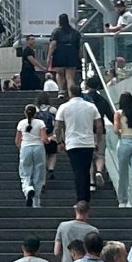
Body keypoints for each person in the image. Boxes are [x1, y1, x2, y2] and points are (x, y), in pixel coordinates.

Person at [54, 84, 103, 216]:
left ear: (70, 93)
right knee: (86, 170)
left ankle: (81, 200)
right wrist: (97, 140)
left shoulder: (64, 107)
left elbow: (58, 127)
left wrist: (59, 141)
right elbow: (99, 125)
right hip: (87, 143)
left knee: (78, 171)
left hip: (72, 143)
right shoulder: (91, 106)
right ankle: (86, 198)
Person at [105, 93, 132, 209]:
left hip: (124, 142)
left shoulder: (118, 114)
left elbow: (115, 130)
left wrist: (122, 133)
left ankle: (123, 201)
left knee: (123, 173)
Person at [14, 102, 50, 207]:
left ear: (25, 113)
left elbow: (17, 141)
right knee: (39, 173)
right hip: (38, 147)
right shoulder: (40, 123)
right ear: (35, 113)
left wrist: (22, 148)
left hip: (25, 147)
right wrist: (50, 139)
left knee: (25, 172)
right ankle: (36, 201)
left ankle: (28, 189)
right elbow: (44, 139)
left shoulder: (21, 123)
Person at [47, 12, 85, 96]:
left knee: (59, 73)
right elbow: (79, 47)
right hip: (72, 54)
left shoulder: (56, 31)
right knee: (70, 77)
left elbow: (53, 44)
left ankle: (61, 91)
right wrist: (80, 57)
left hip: (59, 53)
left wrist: (49, 56)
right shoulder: (75, 32)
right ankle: (71, 94)